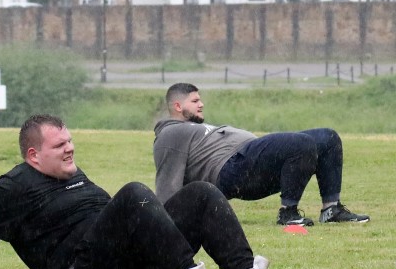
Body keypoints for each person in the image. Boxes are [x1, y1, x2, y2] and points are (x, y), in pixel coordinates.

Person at [0, 114, 308, 269]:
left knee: (200, 193)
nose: (70, 149)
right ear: (33, 156)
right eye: (59, 145)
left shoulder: (70, 172)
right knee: (134, 194)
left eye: (70, 141)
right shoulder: (9, 188)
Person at [154, 82, 369, 226]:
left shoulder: (191, 128)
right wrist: (167, 220)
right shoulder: (169, 133)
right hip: (232, 171)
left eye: (200, 99)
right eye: (194, 101)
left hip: (252, 163)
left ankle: (331, 210)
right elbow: (168, 184)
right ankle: (288, 213)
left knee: (327, 138)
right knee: (300, 143)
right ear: (177, 106)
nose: (201, 104)